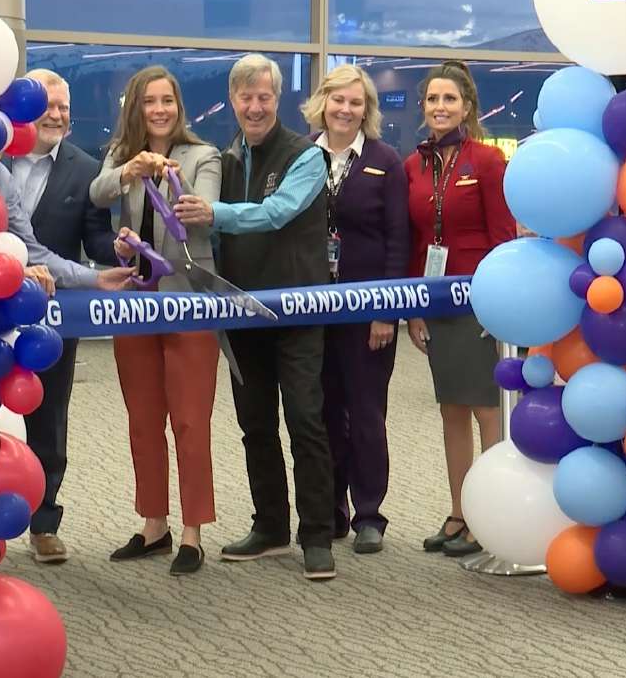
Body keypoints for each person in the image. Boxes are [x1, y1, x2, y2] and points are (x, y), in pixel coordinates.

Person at [173, 54, 336, 581]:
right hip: (242, 310)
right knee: (255, 424)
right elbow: (210, 235)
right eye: (245, 97)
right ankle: (270, 527)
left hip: (298, 309)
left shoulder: (308, 156)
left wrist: (212, 213)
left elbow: (278, 212)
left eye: (264, 96)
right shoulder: (225, 158)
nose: (254, 106)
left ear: (278, 99)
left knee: (306, 419)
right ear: (234, 101)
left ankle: (317, 536)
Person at [0, 68, 135, 564]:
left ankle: (44, 520)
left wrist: (110, 255)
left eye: (65, 107)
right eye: (48, 104)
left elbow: (90, 239)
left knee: (49, 415)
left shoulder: (84, 167)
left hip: (54, 312)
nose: (57, 114)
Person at [89, 66, 222, 575]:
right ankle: (154, 525)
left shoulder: (201, 154)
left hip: (189, 300)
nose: (160, 109)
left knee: (190, 420)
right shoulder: (122, 156)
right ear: (136, 108)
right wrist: (129, 171)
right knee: (143, 422)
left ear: (178, 106)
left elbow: (200, 206)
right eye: (150, 101)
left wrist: (170, 176)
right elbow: (99, 193)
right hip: (135, 303)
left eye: (167, 100)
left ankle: (193, 532)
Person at [404, 61, 516, 558]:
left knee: (486, 409)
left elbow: (505, 238)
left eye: (449, 99)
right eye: (432, 99)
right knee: (450, 407)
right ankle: (459, 512)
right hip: (435, 298)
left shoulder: (488, 161)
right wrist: (414, 307)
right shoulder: (414, 165)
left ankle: (491, 513)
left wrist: (502, 308)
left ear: (467, 107)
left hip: (482, 300)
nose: (440, 108)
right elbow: (415, 241)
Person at [301, 65, 409, 554]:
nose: (346, 110)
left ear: (367, 110)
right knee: (322, 413)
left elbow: (398, 241)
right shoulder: (304, 156)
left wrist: (386, 311)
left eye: (356, 102)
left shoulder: (386, 162)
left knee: (366, 413)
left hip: (368, 314)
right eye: (338, 100)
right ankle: (332, 511)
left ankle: (370, 514)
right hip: (312, 311)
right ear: (322, 103)